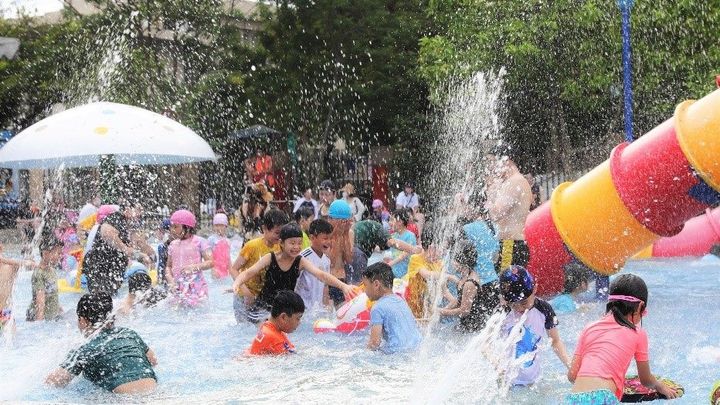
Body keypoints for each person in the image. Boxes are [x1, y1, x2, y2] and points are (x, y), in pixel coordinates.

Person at [565, 274, 678, 404]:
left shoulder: (589, 328)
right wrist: (660, 386)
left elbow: (572, 375)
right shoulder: (638, 334)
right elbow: (646, 380)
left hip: (573, 399)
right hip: (604, 398)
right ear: (641, 306)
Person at [233, 223, 356, 322]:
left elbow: (321, 275)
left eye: (299, 243)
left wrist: (343, 286)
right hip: (263, 309)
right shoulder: (270, 258)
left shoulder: (300, 261)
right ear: (281, 243)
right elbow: (249, 272)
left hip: (284, 310)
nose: (296, 247)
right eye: (292, 243)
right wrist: (237, 283)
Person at [46, 293, 158, 393]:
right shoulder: (129, 334)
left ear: (83, 321)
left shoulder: (84, 349)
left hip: (122, 400)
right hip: (154, 392)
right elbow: (153, 361)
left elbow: (54, 382)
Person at [498, 265, 571, 386]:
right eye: (513, 304)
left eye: (523, 302)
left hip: (533, 380)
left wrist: (570, 365)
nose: (519, 308)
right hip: (507, 381)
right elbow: (486, 344)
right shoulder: (502, 312)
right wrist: (497, 362)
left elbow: (555, 341)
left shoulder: (544, 309)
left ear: (535, 289)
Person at [230, 209, 288, 322]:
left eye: (282, 233)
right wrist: (246, 292)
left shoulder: (280, 248)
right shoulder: (252, 246)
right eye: (276, 232)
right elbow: (233, 269)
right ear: (264, 228)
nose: (279, 236)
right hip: (243, 296)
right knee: (244, 328)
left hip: (264, 298)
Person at [83, 204, 152, 295]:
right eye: (138, 210)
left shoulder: (130, 224)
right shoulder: (116, 217)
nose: (140, 214)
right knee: (101, 297)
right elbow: (106, 231)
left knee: (109, 297)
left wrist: (143, 255)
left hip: (111, 268)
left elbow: (137, 245)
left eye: (141, 211)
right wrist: (124, 249)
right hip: (100, 265)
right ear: (127, 209)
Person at [484, 151, 533, 272]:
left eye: (495, 165)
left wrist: (489, 191)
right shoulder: (520, 181)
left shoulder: (513, 182)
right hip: (515, 244)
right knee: (514, 287)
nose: (494, 171)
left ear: (506, 162)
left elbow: (496, 214)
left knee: (505, 287)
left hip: (510, 245)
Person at [363, 262, 421, 354]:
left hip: (397, 355)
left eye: (365, 285)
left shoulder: (378, 308)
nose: (364, 290)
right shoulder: (401, 301)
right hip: (417, 349)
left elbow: (374, 343)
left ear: (376, 284)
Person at [439, 240, 493, 332]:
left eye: (454, 260)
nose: (452, 263)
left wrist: (444, 312)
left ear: (462, 261)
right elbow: (460, 300)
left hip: (473, 326)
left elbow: (464, 311)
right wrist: (443, 310)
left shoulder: (470, 283)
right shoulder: (465, 276)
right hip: (466, 323)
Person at [164, 209, 213, 307]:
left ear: (187, 227)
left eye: (176, 226)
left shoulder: (200, 242)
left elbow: (211, 262)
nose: (172, 230)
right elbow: (168, 267)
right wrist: (170, 279)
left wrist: (193, 267)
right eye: (171, 226)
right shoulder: (173, 245)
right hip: (178, 287)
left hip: (196, 287)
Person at [245, 290, 304, 356]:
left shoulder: (267, 327)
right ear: (283, 317)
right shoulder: (275, 340)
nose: (299, 323)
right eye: (298, 318)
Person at [405, 225, 443, 319]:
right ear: (431, 248)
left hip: (425, 306)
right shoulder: (416, 258)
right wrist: (447, 276)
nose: (442, 252)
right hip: (410, 304)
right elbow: (425, 274)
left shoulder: (438, 263)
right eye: (440, 248)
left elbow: (443, 289)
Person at [295, 219, 333, 312]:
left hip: (317, 310)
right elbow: (294, 284)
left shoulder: (326, 260)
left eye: (330, 238)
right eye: (325, 238)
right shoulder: (303, 257)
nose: (328, 242)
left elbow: (325, 286)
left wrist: (326, 307)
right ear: (312, 238)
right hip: (303, 309)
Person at [0, 244, 37, 335]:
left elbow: (28, 264)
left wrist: (3, 260)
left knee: (12, 341)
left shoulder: (10, 267)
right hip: (5, 314)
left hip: (5, 313)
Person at [26, 233, 64, 322]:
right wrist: (39, 323)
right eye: (58, 253)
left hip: (51, 315)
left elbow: (53, 294)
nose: (60, 256)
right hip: (40, 316)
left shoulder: (52, 270)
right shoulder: (39, 274)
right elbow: (40, 302)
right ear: (46, 253)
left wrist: (59, 309)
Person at [326, 200, 354, 306]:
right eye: (340, 221)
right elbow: (330, 260)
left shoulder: (349, 233)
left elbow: (349, 259)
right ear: (331, 219)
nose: (343, 224)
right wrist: (337, 235)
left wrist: (344, 235)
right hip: (328, 280)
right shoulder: (325, 234)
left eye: (345, 221)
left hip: (342, 279)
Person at [384, 209, 417, 279]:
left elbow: (405, 254)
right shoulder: (393, 236)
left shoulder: (410, 236)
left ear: (400, 222)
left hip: (405, 273)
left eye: (392, 220)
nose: (390, 223)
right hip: (393, 271)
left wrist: (390, 264)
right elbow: (385, 249)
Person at [208, 213, 231, 279]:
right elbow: (209, 257)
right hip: (215, 269)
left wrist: (231, 269)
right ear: (213, 226)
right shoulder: (211, 239)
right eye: (216, 226)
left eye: (221, 225)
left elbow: (228, 258)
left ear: (226, 226)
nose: (219, 228)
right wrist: (213, 269)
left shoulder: (228, 241)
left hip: (225, 270)